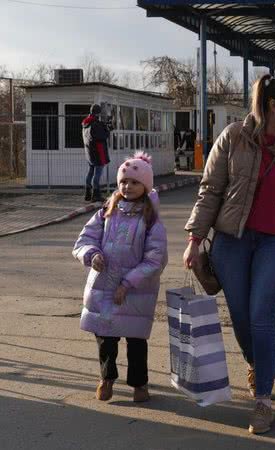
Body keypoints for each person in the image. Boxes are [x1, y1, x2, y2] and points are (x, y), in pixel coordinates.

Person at [183, 75, 275, 435]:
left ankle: (263, 400)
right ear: (274, 105)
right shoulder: (232, 137)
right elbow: (210, 190)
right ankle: (256, 363)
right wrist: (195, 239)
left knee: (262, 316)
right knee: (242, 319)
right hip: (232, 242)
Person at [72, 152, 167, 403]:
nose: (127, 186)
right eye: (124, 181)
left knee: (136, 341)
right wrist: (92, 255)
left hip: (135, 290)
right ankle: (107, 377)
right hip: (103, 286)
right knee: (105, 338)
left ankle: (139, 384)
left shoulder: (151, 219)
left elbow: (155, 259)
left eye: (134, 182)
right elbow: (85, 239)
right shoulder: (106, 211)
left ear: (145, 186)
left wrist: (128, 283)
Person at [82, 104, 111, 202]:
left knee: (90, 172)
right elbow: (102, 136)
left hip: (89, 152)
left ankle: (87, 193)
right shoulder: (95, 124)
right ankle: (96, 194)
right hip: (98, 152)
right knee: (97, 173)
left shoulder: (86, 123)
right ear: (98, 113)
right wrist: (107, 130)